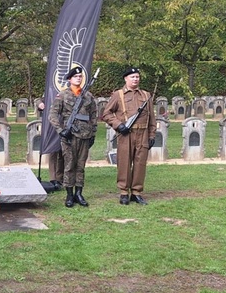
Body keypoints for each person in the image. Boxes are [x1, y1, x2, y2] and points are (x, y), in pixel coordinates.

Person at [101, 67, 157, 206]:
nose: (135, 79)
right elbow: (106, 114)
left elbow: (152, 118)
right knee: (124, 163)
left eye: (137, 77)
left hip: (142, 134)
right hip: (126, 134)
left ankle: (136, 192)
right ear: (126, 79)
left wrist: (152, 135)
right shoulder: (118, 95)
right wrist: (119, 125)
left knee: (140, 163)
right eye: (132, 77)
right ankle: (124, 192)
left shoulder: (146, 95)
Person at [49, 66, 98, 208]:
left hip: (85, 135)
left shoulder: (88, 96)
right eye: (76, 77)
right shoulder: (63, 95)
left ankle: (79, 193)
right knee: (69, 165)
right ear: (70, 79)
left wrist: (93, 133)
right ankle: (69, 195)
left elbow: (93, 116)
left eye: (80, 77)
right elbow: (52, 115)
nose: (79, 78)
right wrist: (61, 130)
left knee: (81, 166)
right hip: (70, 136)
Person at [37, 98, 64, 190]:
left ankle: (60, 178)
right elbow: (41, 100)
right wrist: (40, 104)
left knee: (63, 153)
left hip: (65, 123)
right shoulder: (51, 89)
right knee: (53, 152)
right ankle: (53, 179)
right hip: (52, 125)